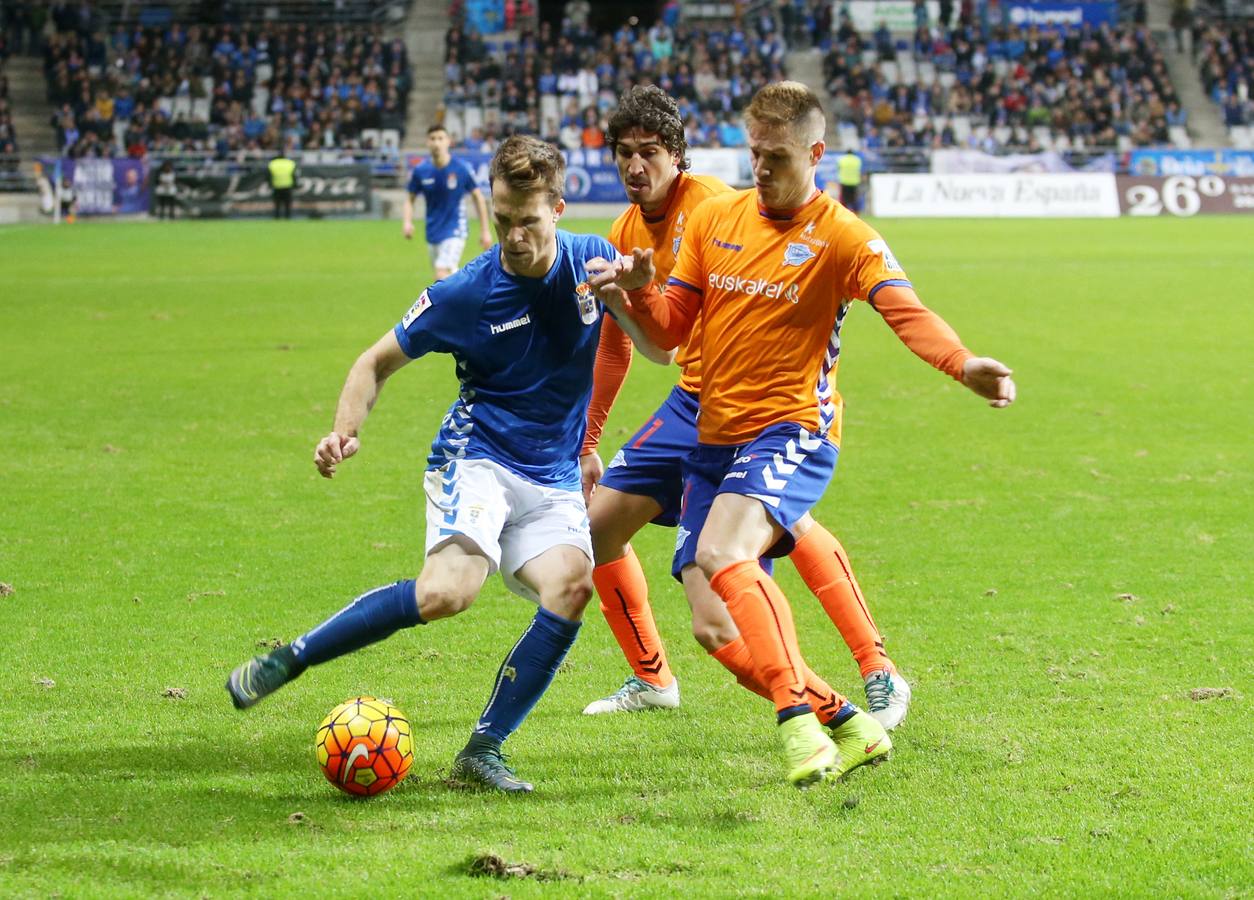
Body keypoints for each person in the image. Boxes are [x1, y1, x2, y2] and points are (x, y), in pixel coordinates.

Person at [589, 82, 1016, 787]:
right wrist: (634, 288)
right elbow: (668, 333)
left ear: (816, 152)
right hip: (711, 436)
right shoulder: (715, 220)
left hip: (791, 430)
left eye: (778, 156)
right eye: (755, 152)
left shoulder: (845, 235)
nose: (762, 167)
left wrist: (962, 363)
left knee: (728, 553)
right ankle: (849, 721)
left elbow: (905, 311)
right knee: (712, 625)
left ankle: (799, 725)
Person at [225, 136, 662, 794]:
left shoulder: (595, 262)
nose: (514, 236)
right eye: (505, 218)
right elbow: (374, 361)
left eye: (530, 221)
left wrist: (636, 289)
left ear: (559, 208)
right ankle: (292, 658)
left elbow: (658, 350)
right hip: (477, 455)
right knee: (446, 594)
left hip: (551, 474)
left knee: (571, 589)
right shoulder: (464, 292)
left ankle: (483, 750)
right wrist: (344, 431)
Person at [579, 85, 911, 736]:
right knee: (596, 529)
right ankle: (652, 679)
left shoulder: (715, 208)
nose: (635, 166)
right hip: (689, 405)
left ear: (678, 157)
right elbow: (619, 341)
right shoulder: (623, 229)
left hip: (751, 408)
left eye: (650, 152)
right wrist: (588, 438)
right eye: (624, 154)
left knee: (769, 542)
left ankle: (874, 672)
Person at [403, 123, 492, 281]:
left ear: (448, 141)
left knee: (441, 273)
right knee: (449, 279)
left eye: (440, 138)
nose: (437, 143)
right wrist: (407, 222)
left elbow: (478, 197)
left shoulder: (461, 168)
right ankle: (467, 300)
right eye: (433, 139)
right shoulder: (421, 171)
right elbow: (409, 199)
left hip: (455, 229)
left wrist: (485, 230)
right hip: (433, 231)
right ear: (427, 142)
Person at [268, 149, 297, 219]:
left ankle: (277, 217)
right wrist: (295, 184)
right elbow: (294, 175)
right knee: (287, 204)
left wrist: (270, 184)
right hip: (287, 186)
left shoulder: (272, 163)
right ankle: (288, 217)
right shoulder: (290, 163)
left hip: (276, 186)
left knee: (277, 204)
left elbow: (269, 176)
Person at [836, 148, 862, 213]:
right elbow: (859, 170)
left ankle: (843, 213)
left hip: (844, 182)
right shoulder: (857, 160)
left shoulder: (842, 159)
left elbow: (839, 168)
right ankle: (856, 213)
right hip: (854, 182)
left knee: (844, 200)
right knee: (854, 199)